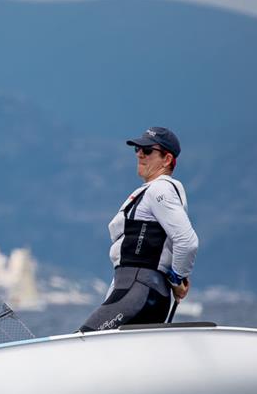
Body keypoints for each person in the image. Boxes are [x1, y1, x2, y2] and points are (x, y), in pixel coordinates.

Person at [80, 126, 198, 332]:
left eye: (147, 150)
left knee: (83, 341)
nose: (139, 154)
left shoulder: (160, 189)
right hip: (140, 291)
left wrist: (177, 279)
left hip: (139, 291)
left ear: (167, 159)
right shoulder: (154, 191)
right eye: (137, 149)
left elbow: (187, 242)